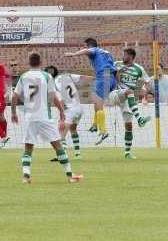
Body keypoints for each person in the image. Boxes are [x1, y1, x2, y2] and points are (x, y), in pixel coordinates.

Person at [11, 52, 83, 184]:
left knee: (28, 148)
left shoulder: (24, 76)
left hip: (30, 117)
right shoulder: (46, 76)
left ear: (29, 62)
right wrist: (61, 112)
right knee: (57, 145)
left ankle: (26, 177)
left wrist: (13, 113)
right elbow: (54, 97)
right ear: (40, 62)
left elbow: (14, 96)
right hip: (44, 116)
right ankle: (69, 175)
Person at [65, 38, 117, 145]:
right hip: (111, 79)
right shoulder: (106, 52)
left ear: (89, 46)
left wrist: (74, 54)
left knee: (98, 105)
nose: (83, 48)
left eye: (84, 46)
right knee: (97, 102)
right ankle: (95, 125)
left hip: (103, 78)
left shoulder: (94, 50)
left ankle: (103, 132)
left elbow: (88, 51)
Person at [109, 48, 151, 159]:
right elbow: (108, 76)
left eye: (125, 54)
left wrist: (144, 90)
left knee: (128, 126)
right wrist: (118, 72)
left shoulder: (139, 69)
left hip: (128, 99)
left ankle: (127, 153)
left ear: (131, 56)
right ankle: (140, 119)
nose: (123, 56)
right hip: (115, 93)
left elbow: (148, 82)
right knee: (129, 91)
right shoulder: (116, 64)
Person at [45, 65, 92, 160]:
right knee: (73, 129)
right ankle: (78, 154)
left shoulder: (53, 84)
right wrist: (97, 78)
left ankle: (63, 155)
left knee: (59, 134)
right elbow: (82, 77)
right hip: (79, 108)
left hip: (69, 110)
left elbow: (61, 101)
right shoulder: (67, 76)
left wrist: (62, 116)